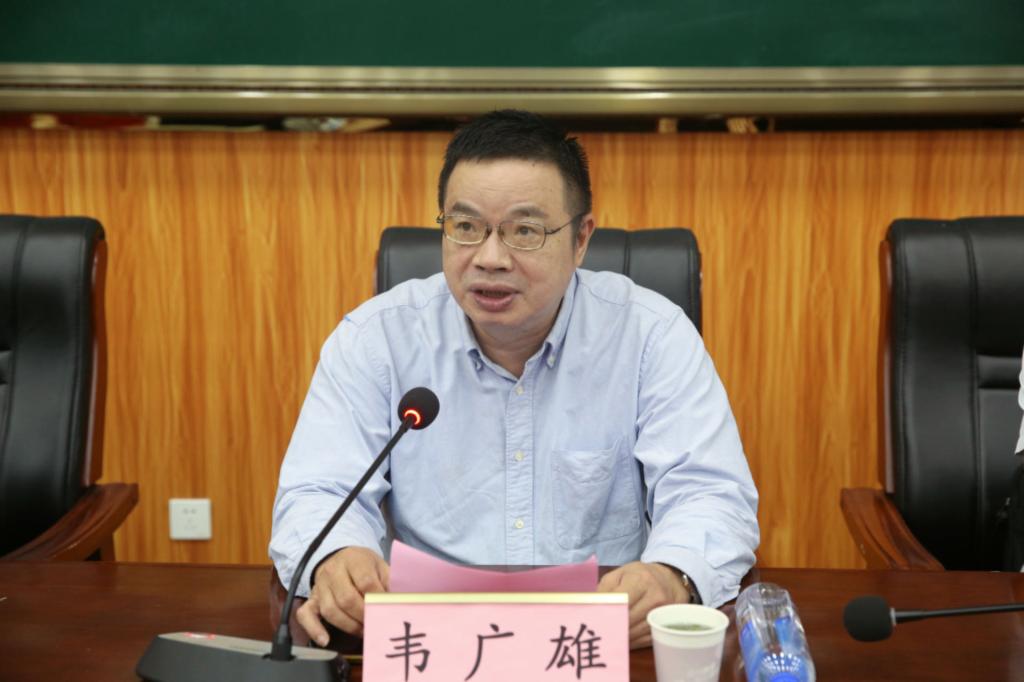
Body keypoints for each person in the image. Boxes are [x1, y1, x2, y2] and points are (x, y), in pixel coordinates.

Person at [270, 109, 759, 649]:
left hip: (596, 640)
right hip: (431, 642)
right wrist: (338, 557)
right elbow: (318, 490)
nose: (490, 258)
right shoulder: (376, 339)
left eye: (524, 231)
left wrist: (672, 573)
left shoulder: (651, 336)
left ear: (580, 240)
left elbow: (710, 493)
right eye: (465, 227)